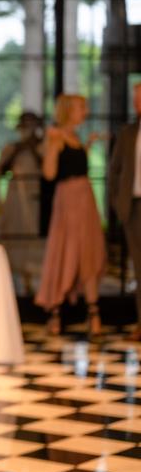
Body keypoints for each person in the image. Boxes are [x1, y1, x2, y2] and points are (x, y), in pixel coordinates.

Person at [36, 94, 106, 336]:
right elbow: (49, 173)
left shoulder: (75, 137)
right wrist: (51, 145)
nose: (85, 112)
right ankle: (55, 311)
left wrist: (88, 145)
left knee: (88, 253)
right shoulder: (56, 137)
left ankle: (93, 312)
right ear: (68, 111)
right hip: (68, 202)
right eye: (81, 108)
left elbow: (76, 164)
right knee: (65, 251)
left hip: (86, 201)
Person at [0, 112, 45, 294]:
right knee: (15, 236)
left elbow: (48, 171)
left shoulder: (43, 147)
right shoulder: (12, 148)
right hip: (16, 199)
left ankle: (35, 283)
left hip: (36, 199)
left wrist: (32, 148)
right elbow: (1, 170)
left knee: (34, 237)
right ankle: (16, 283)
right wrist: (18, 149)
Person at [110, 83, 141, 340]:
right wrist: (117, 202)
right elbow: (114, 171)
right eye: (135, 98)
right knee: (138, 268)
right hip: (133, 207)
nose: (137, 103)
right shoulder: (128, 133)